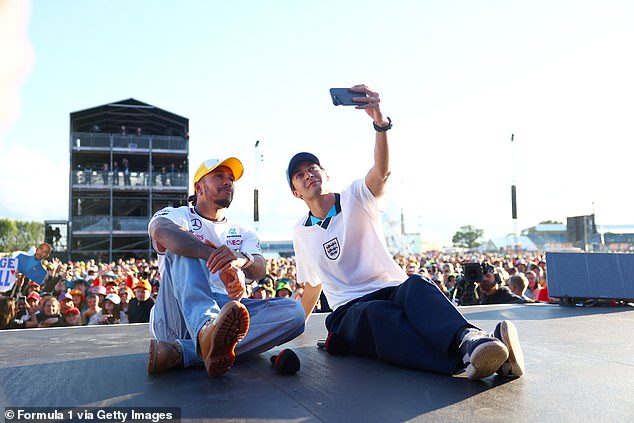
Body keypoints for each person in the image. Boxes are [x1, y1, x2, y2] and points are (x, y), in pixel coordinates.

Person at [287, 85, 525, 380]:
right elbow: (312, 286)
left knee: (418, 285)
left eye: (313, 168)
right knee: (378, 314)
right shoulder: (301, 232)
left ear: (326, 174)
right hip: (349, 312)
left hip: (392, 290)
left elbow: (381, 171)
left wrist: (380, 124)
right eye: (300, 174)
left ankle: (471, 341)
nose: (309, 174)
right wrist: (294, 326)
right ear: (297, 193)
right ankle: (468, 360)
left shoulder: (354, 197)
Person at [147, 157, 305, 377]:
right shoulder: (178, 215)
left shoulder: (242, 230)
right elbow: (161, 231)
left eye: (231, 179)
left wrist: (240, 260)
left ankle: (185, 352)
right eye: (218, 176)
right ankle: (204, 330)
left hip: (224, 310)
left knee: (294, 313)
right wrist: (215, 257)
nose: (228, 182)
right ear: (198, 187)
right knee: (182, 243)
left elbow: (260, 268)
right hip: (177, 312)